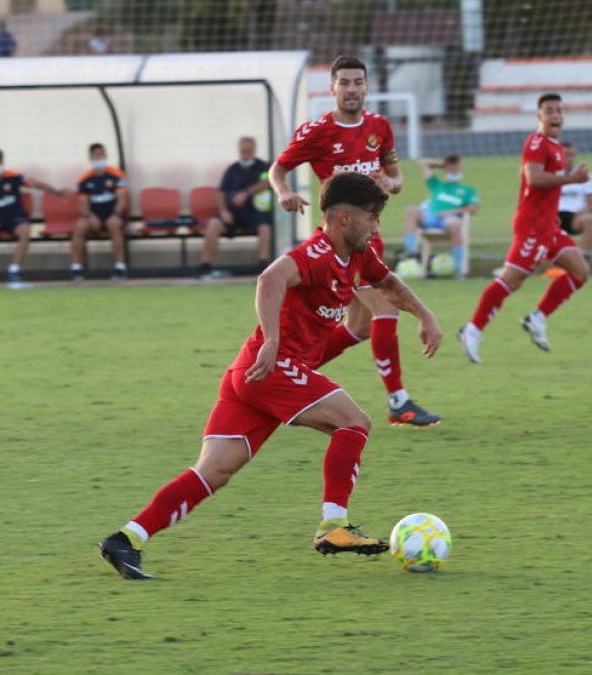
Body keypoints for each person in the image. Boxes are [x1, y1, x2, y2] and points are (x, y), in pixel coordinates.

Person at [98, 172, 443, 580]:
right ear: (345, 217)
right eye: (372, 217)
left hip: (253, 375)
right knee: (354, 421)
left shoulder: (357, 258)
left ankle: (127, 538)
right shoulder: (315, 254)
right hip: (272, 368)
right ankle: (333, 526)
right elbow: (270, 278)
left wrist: (424, 314)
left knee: (214, 471)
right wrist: (273, 341)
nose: (376, 227)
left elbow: (387, 283)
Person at [269, 55, 442, 427]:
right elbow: (278, 168)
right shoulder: (317, 131)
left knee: (358, 328)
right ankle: (399, 402)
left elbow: (396, 178)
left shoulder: (380, 126)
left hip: (370, 239)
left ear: (366, 87)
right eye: (344, 83)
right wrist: (283, 191)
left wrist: (387, 184)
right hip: (341, 244)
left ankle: (285, 376)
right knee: (387, 309)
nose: (351, 89)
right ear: (332, 88)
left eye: (357, 82)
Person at [457, 93, 591, 364]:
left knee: (580, 271)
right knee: (511, 281)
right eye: (549, 110)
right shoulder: (536, 142)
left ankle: (537, 318)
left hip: (548, 227)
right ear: (539, 116)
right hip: (532, 227)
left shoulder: (555, 147)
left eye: (558, 110)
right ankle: (472, 330)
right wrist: (572, 178)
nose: (555, 115)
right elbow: (535, 178)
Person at [0, 148, 68, 284]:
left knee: (25, 231)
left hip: (15, 218)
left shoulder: (14, 176)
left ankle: (14, 270)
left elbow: (35, 184)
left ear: (2, 162)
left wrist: (55, 191)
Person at [197, 136, 274, 279]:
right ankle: (205, 265)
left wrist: (247, 193)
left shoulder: (263, 167)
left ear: (254, 151)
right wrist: (223, 211)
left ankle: (263, 265)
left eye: (248, 151)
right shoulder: (232, 169)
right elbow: (220, 193)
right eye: (243, 152)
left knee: (265, 228)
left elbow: (267, 182)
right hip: (233, 213)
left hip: (256, 212)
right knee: (213, 224)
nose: (245, 155)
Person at [402, 154, 479, 277]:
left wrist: (451, 212)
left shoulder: (467, 190)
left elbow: (473, 209)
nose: (453, 171)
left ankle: (459, 270)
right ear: (445, 170)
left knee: (455, 224)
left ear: (460, 170)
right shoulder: (438, 185)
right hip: (431, 218)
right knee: (411, 210)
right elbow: (424, 163)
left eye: (456, 168)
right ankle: (411, 253)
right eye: (450, 169)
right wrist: (444, 165)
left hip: (449, 220)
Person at [72, 143, 129, 280]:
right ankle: (76, 269)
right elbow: (82, 202)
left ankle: (119, 268)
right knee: (79, 227)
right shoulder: (84, 179)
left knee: (113, 225)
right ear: (90, 158)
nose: (98, 157)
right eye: (95, 155)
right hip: (94, 215)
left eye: (101, 154)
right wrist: (89, 216)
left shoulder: (117, 175)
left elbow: (122, 198)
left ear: (106, 155)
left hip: (113, 213)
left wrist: (116, 215)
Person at [556, 142, 592, 261]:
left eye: (572, 155)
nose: (569, 159)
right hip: (553, 216)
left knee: (588, 220)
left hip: (574, 217)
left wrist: (585, 210)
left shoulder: (584, 175)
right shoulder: (549, 174)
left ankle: (584, 257)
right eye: (566, 155)